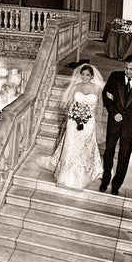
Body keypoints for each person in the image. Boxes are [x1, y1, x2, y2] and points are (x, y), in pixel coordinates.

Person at [47, 63, 106, 191]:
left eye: (87, 75)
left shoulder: (97, 89)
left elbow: (100, 106)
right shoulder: (75, 87)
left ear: (92, 76)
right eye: (83, 74)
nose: (85, 77)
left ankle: (83, 173)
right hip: (73, 121)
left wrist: (95, 121)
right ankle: (65, 175)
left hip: (89, 121)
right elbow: (69, 104)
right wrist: (74, 113)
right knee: (71, 145)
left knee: (84, 145)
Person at [100, 55, 132, 195]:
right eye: (126, 68)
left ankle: (116, 184)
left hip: (130, 126)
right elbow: (106, 95)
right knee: (109, 151)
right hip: (114, 123)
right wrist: (114, 112)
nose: (128, 71)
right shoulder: (114, 77)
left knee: (124, 155)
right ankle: (105, 179)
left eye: (131, 69)